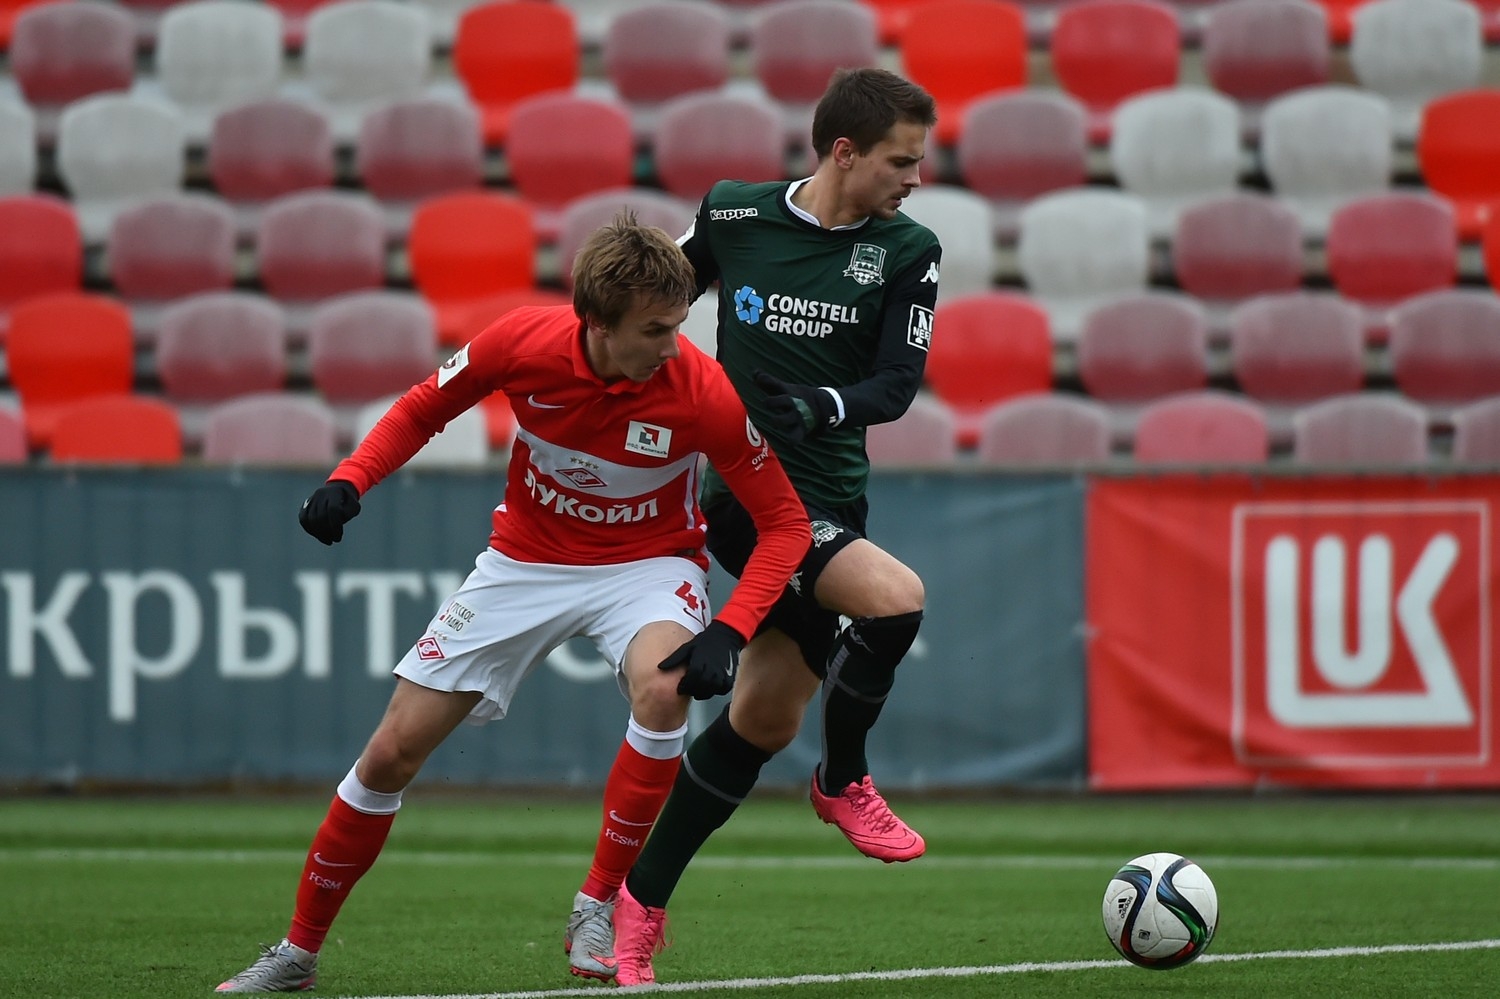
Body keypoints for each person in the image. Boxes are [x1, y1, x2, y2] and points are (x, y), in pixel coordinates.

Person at [215, 213, 809, 993]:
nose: (673, 345)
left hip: (647, 565)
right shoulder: (522, 342)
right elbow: (423, 407)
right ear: (596, 322)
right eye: (655, 329)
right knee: (390, 751)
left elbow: (786, 524)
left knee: (666, 690)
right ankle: (297, 953)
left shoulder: (703, 392)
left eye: (679, 325)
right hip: (524, 562)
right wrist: (350, 479)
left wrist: (730, 628)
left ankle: (596, 906)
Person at [607, 67, 943, 986]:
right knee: (896, 599)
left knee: (758, 718)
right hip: (747, 499)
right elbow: (655, 298)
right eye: (900, 161)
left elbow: (896, 385)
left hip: (834, 501)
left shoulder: (908, 249)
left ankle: (635, 907)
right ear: (845, 152)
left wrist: (825, 403)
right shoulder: (735, 213)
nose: (914, 179)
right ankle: (843, 780)